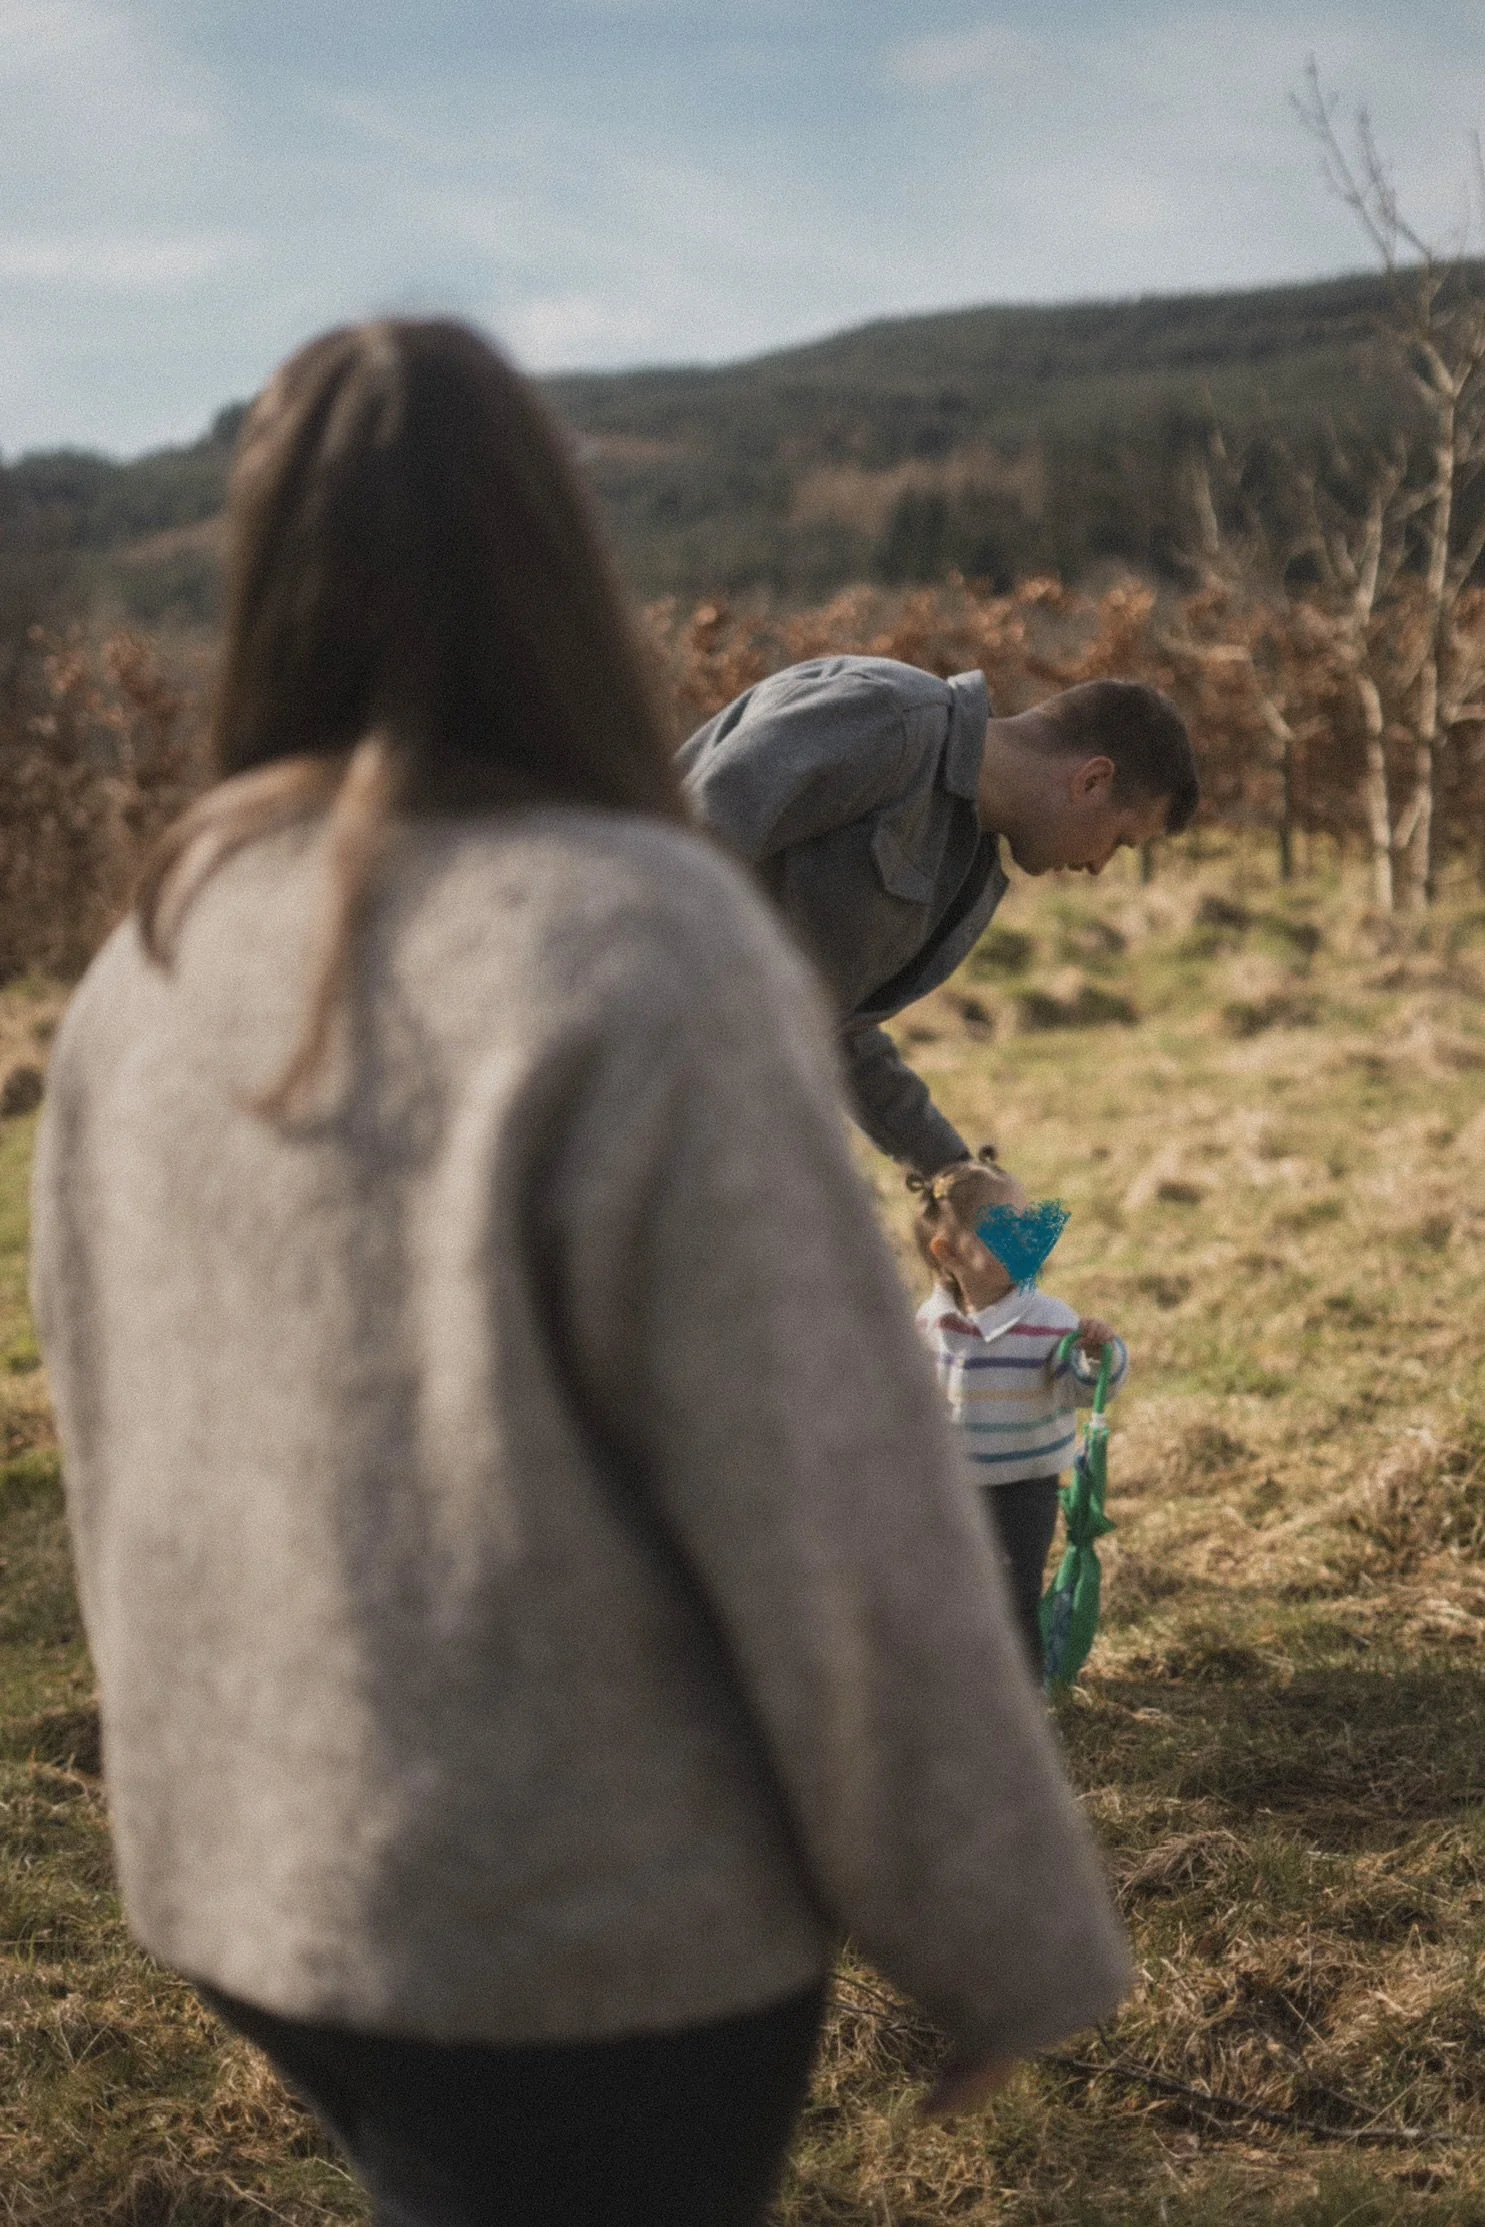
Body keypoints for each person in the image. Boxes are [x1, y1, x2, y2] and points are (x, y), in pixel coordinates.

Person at [30, 320, 1129, 2227]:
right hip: (575, 1923)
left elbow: (107, 1428)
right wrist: (1008, 1933)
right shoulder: (643, 942)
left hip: (246, 1869)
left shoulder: (156, 957)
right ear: (556, 569)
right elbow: (831, 1490)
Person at [679, 657, 1199, 1177]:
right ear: (1092, 781)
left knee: (987, 1244)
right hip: (642, 1077)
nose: (1098, 866)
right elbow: (672, 860)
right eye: (1118, 842)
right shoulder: (887, 717)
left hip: (714, 1113)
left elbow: (831, 1020)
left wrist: (952, 1173)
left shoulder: (966, 857)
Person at [912, 1155, 1128, 1678]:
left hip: (1023, 1487)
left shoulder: (1049, 1320)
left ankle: (1024, 1694)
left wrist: (1099, 1355)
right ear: (948, 1253)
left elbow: (1080, 1388)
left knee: (1012, 1590)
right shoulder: (930, 1321)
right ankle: (963, 1683)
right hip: (950, 1486)